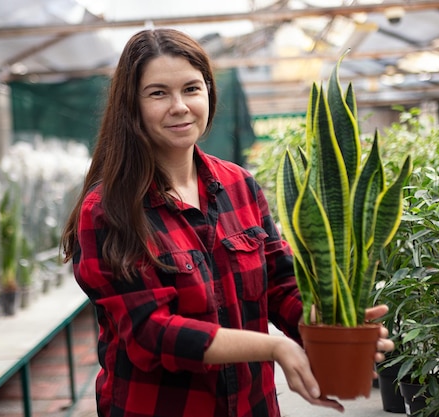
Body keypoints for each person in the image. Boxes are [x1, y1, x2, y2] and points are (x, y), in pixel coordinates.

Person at [61, 27, 393, 417]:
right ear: (131, 105)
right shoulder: (107, 209)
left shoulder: (239, 185)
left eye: (191, 88)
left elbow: (279, 283)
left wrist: (331, 324)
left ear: (208, 93)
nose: (180, 106)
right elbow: (151, 333)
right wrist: (274, 346)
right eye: (158, 93)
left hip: (253, 406)